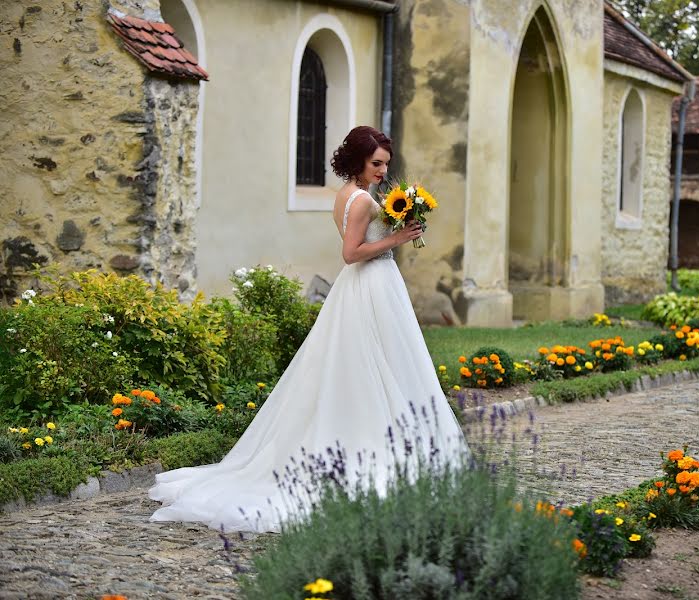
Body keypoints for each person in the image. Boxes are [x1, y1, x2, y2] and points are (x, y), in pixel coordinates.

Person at [148, 126, 467, 532]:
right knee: (369, 369)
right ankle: (364, 449)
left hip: (370, 290)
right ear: (358, 161)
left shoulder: (347, 196)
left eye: (386, 163)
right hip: (369, 286)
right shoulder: (361, 202)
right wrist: (399, 237)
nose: (383, 171)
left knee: (371, 369)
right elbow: (351, 254)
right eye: (376, 163)